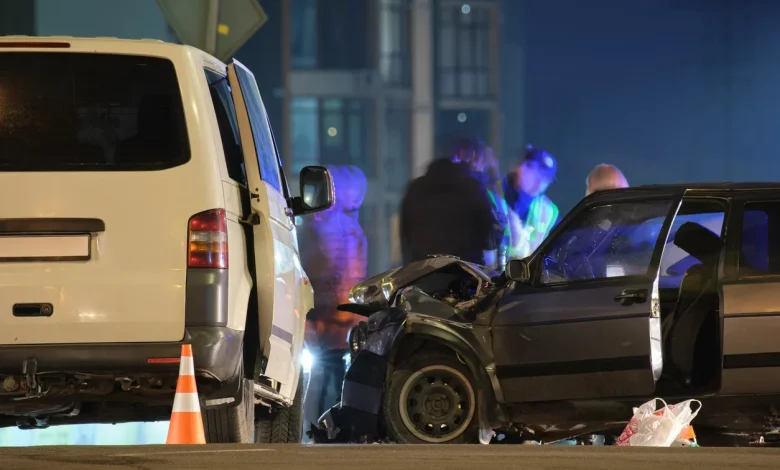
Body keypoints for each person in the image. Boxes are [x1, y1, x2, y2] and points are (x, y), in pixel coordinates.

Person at [298, 164, 368, 441]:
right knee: (330, 376)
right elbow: (349, 272)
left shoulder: (324, 227)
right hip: (335, 318)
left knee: (326, 375)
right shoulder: (348, 229)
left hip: (329, 317)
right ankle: (326, 427)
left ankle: (321, 427)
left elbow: (321, 269)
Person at [401, 136, 497, 267]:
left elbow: (406, 238)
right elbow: (488, 237)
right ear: (461, 155)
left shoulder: (415, 188)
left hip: (422, 275)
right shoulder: (473, 188)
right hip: (465, 276)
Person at [502, 145, 561, 259]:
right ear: (521, 167)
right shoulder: (496, 195)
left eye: (546, 179)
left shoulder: (548, 211)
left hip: (524, 275)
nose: (539, 183)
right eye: (536, 174)